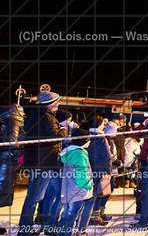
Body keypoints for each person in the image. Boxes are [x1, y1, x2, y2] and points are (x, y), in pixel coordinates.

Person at [18, 91, 69, 236]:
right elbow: (53, 138)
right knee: (34, 198)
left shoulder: (33, 116)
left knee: (41, 195)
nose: (58, 104)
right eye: (57, 102)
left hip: (39, 161)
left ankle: (39, 225)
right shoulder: (47, 118)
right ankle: (25, 230)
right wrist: (64, 131)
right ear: (50, 103)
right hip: (44, 163)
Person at [58, 129, 94, 236]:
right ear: (84, 141)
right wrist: (88, 185)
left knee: (65, 215)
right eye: (88, 139)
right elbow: (81, 174)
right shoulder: (80, 155)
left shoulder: (70, 152)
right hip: (78, 191)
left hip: (69, 189)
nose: (90, 142)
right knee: (72, 217)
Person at [0, 102, 25, 235]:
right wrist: (18, 155)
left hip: (4, 160)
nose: (23, 114)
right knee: (1, 192)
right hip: (6, 162)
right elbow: (13, 142)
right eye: (22, 111)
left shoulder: (5, 122)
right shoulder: (12, 123)